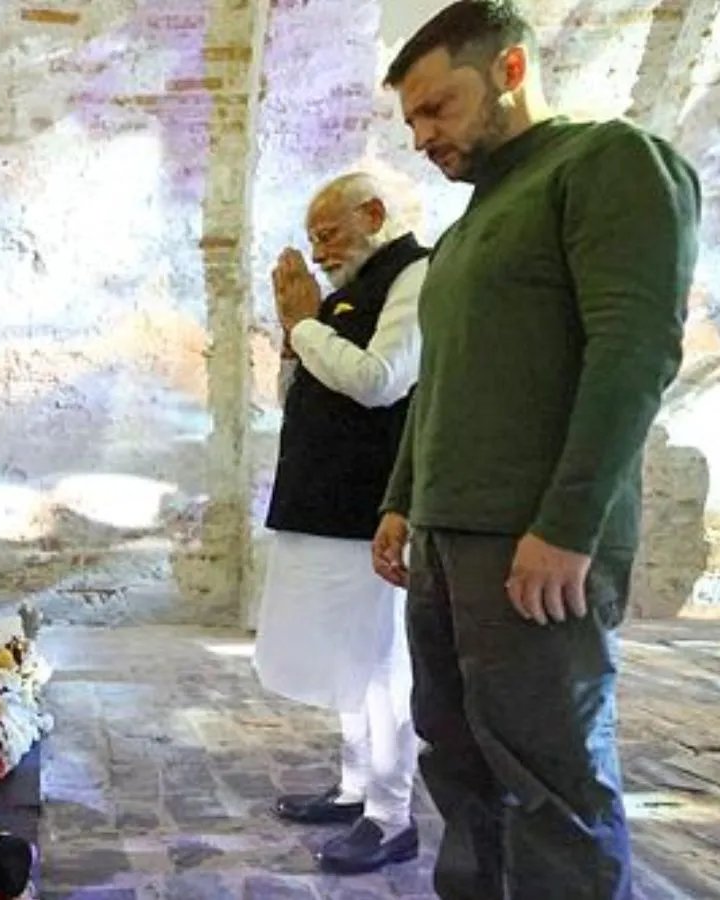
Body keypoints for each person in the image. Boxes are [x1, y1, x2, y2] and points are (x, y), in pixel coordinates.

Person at [371, 3, 700, 897]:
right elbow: (442, 378)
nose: (422, 135)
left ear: (511, 70)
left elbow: (634, 351)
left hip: (533, 543)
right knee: (458, 759)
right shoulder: (471, 223)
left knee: (552, 782)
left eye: (437, 108)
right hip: (447, 538)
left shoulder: (609, 163)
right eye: (411, 120)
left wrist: (568, 524)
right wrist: (403, 498)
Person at [254, 172, 429, 875]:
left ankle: (391, 818)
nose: (320, 251)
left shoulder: (415, 276)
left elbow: (381, 377)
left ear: (375, 215)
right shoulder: (342, 295)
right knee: (348, 658)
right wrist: (296, 338)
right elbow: (303, 394)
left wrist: (304, 323)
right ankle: (357, 785)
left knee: (383, 663)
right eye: (315, 237)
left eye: (329, 233)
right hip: (326, 502)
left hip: (374, 506)